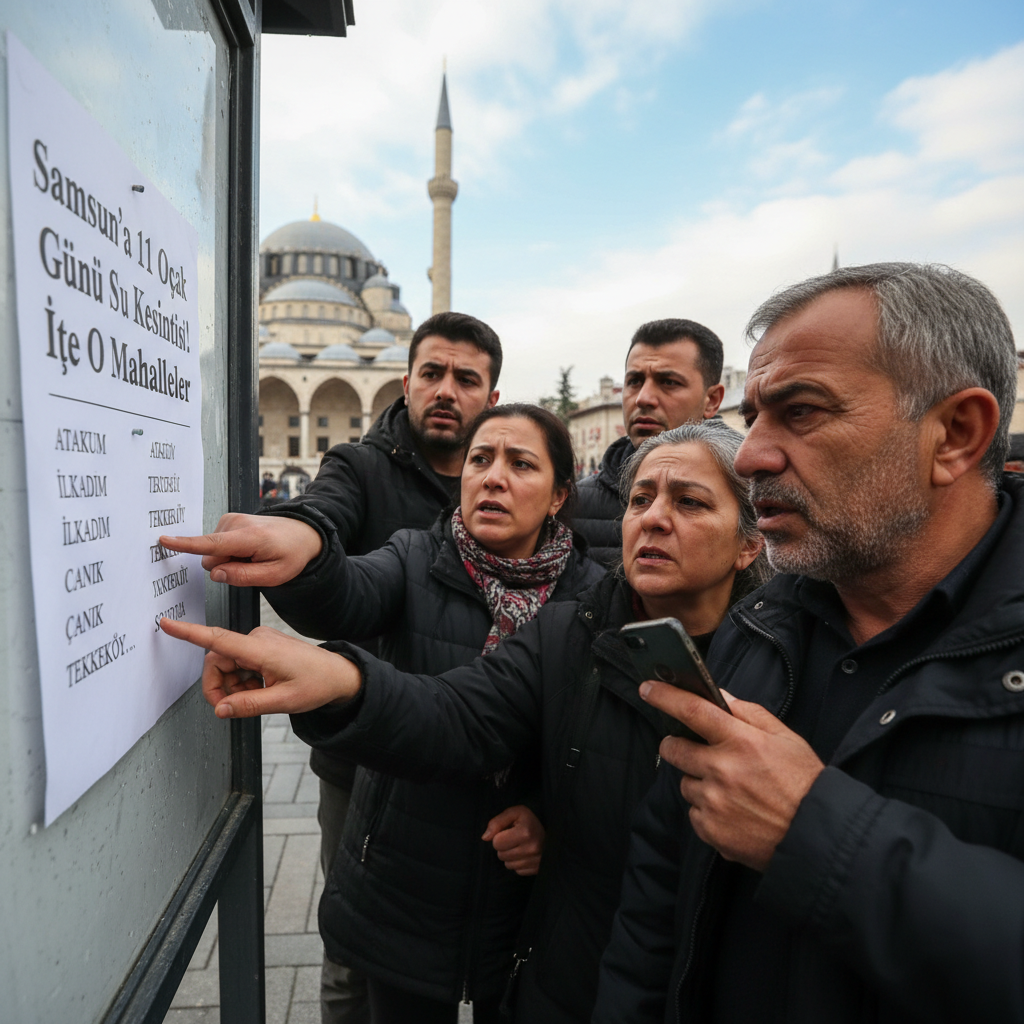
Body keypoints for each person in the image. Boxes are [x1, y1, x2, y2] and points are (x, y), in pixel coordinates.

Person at [161, 419, 768, 1024]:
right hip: (456, 921)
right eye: (640, 499)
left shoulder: (777, 662)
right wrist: (335, 657)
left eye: (689, 502)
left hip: (607, 955)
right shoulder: (563, 625)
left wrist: (545, 816)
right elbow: (454, 712)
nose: (654, 518)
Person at [594, 262, 1024, 1024]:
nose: (750, 455)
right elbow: (657, 902)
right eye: (755, 415)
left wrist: (818, 835)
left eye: (801, 412)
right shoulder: (759, 629)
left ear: (956, 433)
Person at [176, 310, 502, 1024]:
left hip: (477, 756)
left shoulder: (499, 480)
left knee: (480, 938)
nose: (446, 390)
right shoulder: (361, 466)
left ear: (491, 397)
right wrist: (303, 536)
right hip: (364, 752)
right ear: (405, 382)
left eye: (466, 378)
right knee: (357, 948)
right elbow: (323, 518)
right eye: (432, 373)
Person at [575, 319, 726, 566]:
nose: (643, 398)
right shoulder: (576, 505)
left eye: (668, 382)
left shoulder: (752, 495)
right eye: (634, 381)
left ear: (712, 400)